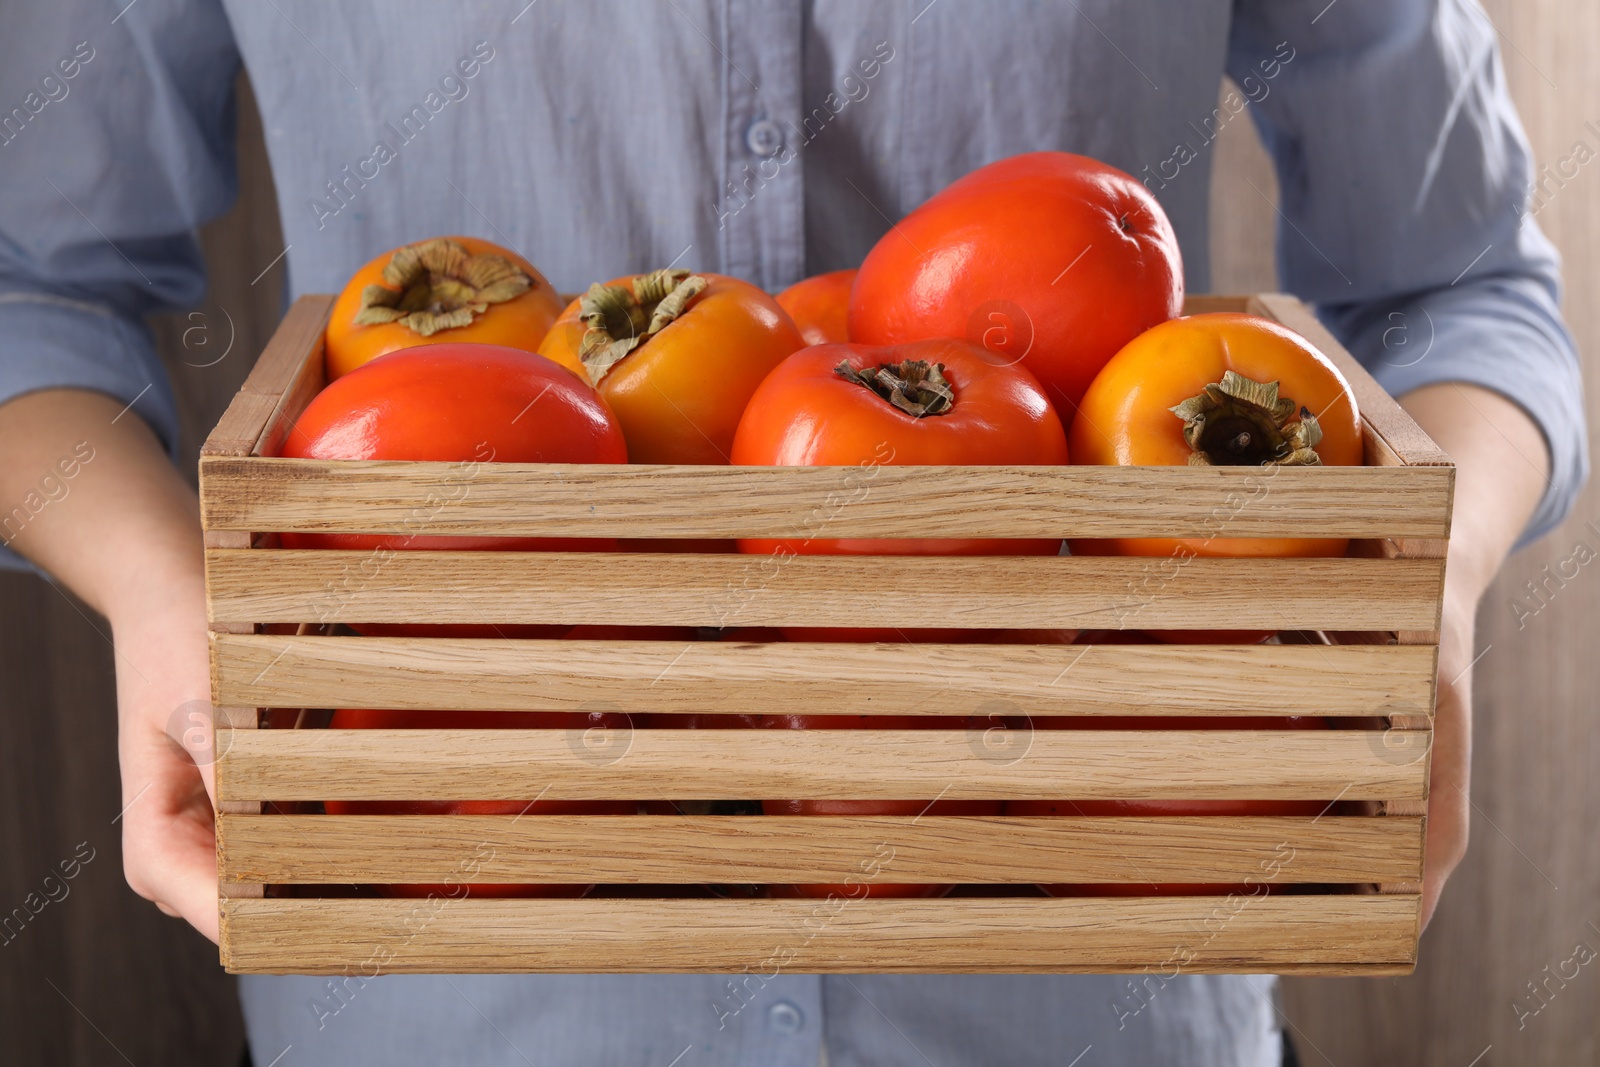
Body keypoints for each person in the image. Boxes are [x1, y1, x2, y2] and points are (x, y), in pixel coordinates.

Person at [1, 1, 1583, 1064]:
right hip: (447, 980)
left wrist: (1420, 593)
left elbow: (1466, 290)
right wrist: (164, 600)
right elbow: (31, 289)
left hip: (1086, 983)